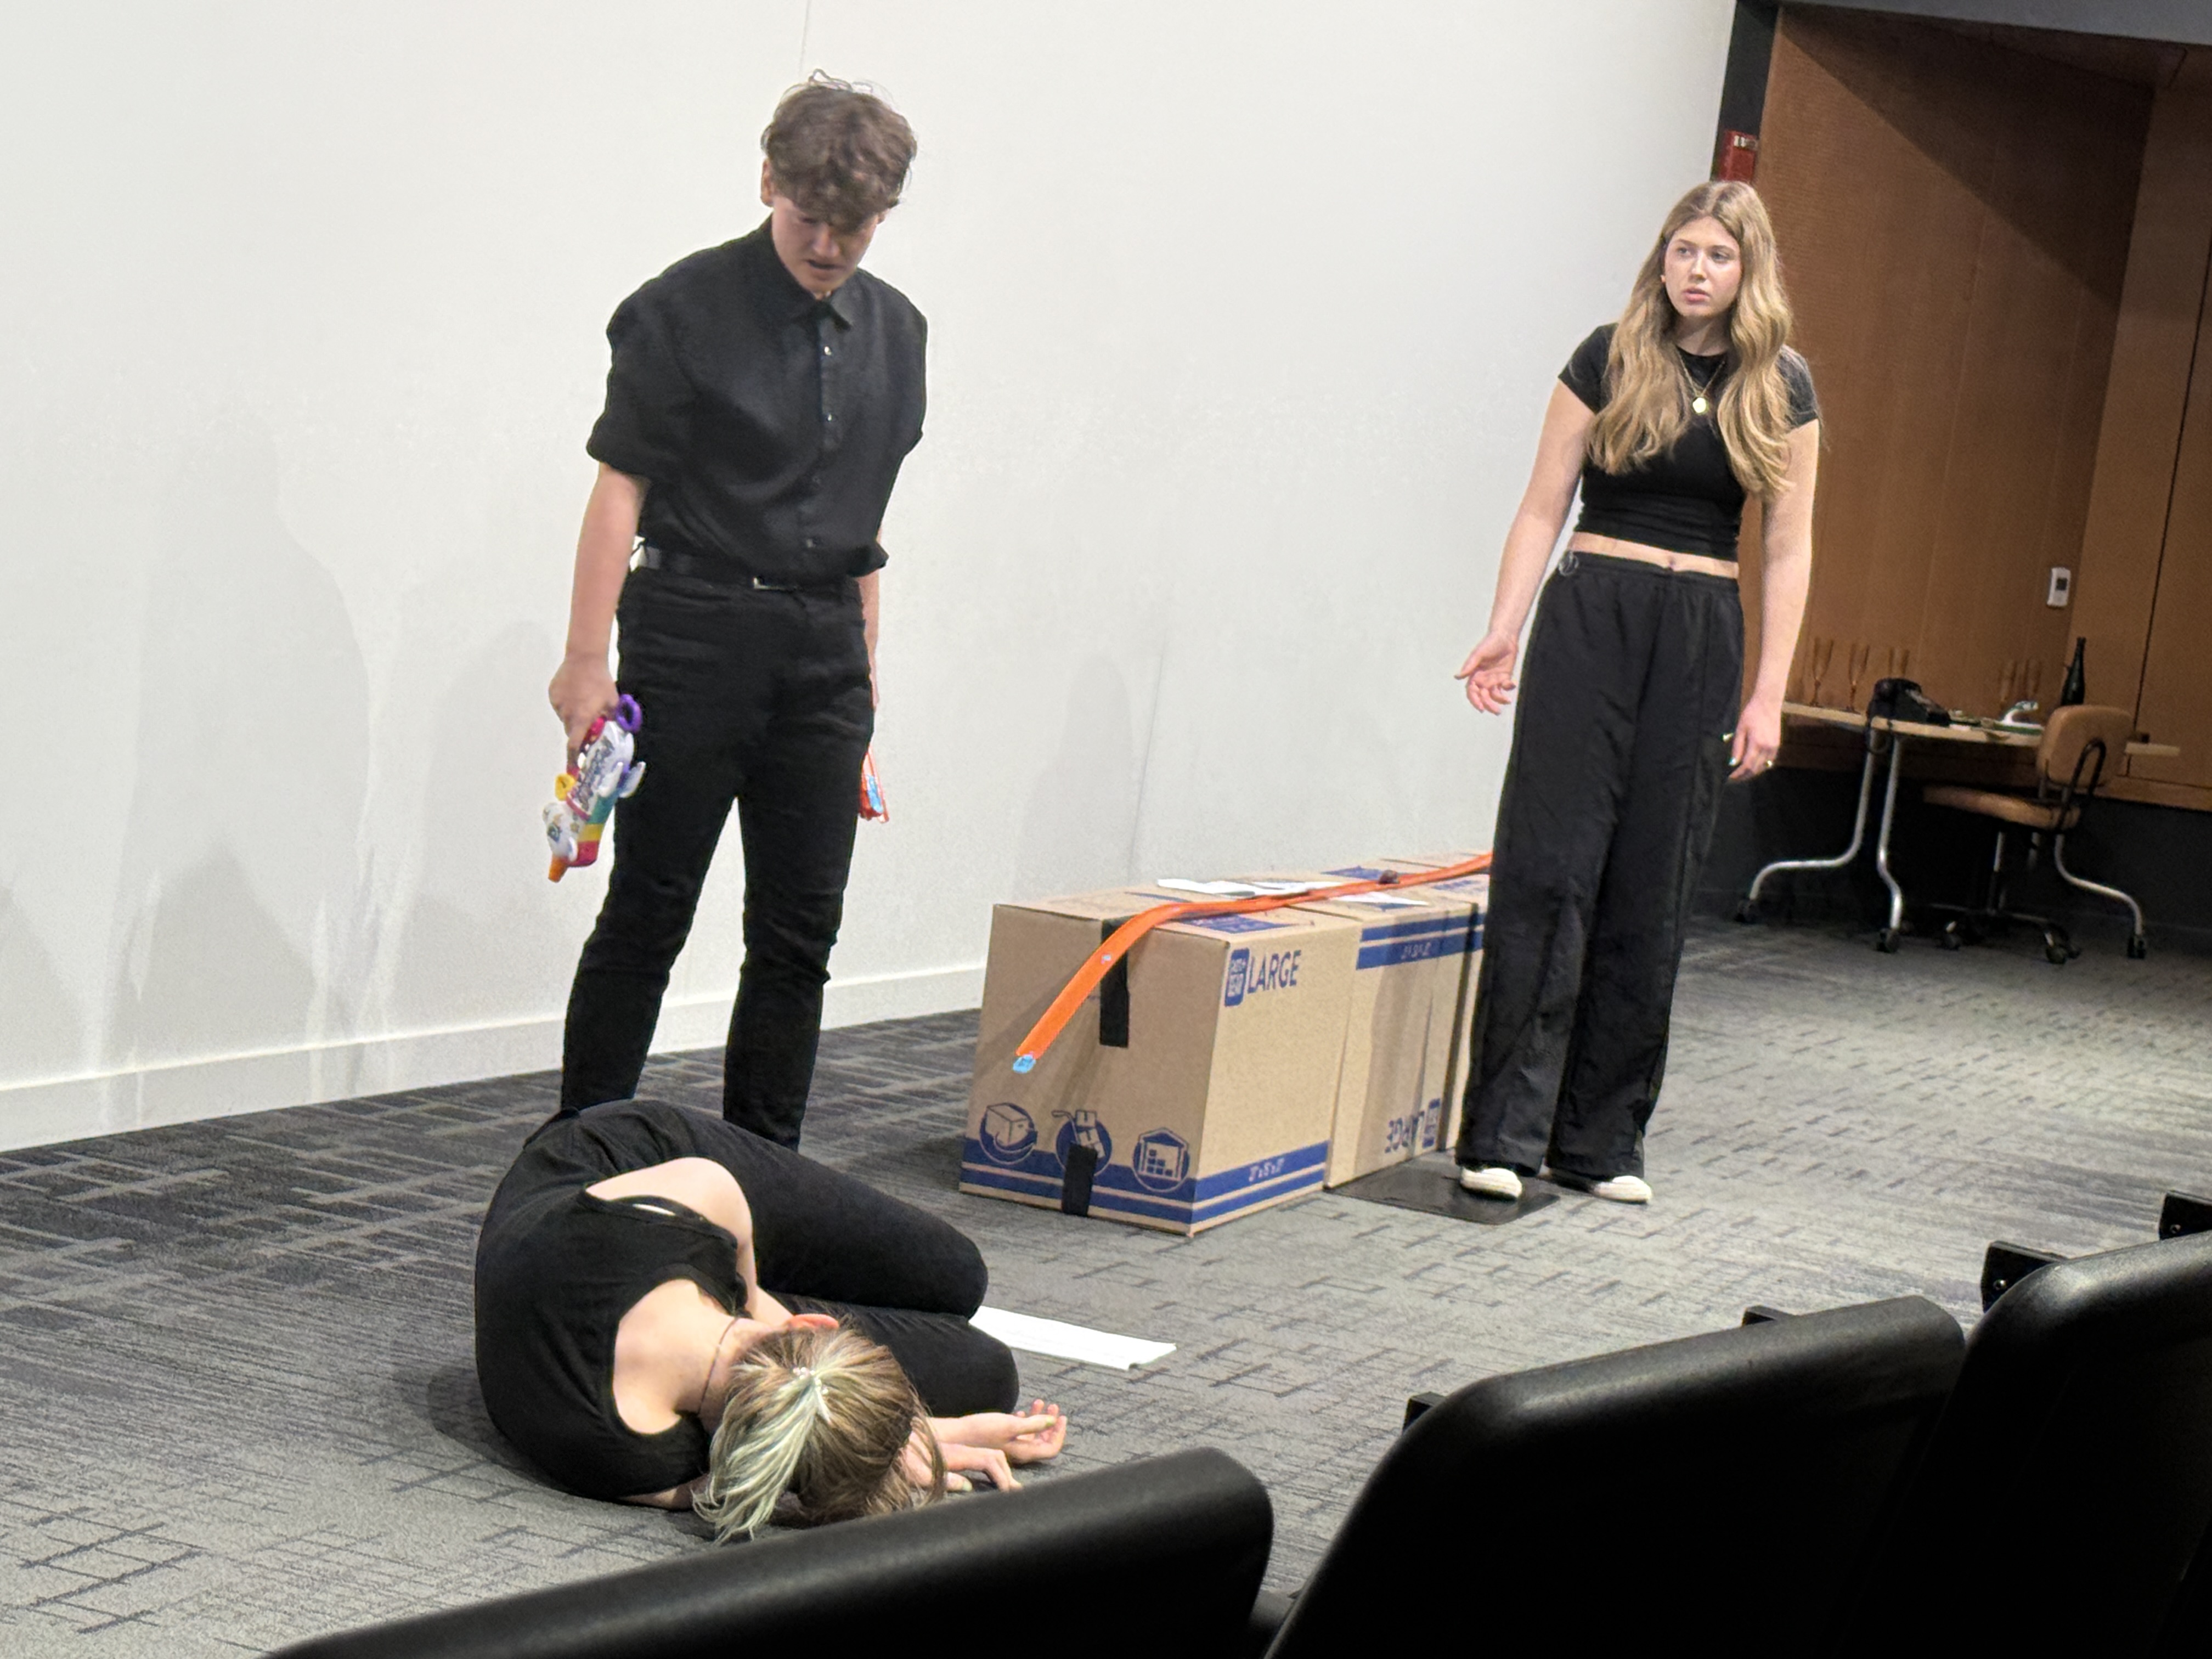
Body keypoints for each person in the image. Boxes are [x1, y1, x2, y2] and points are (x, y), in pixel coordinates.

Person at [549, 75, 928, 1148]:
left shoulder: (898, 333)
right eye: (811, 218)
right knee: (649, 910)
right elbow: (620, 485)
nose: (829, 246)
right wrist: (586, 661)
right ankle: (578, 1160)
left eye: (857, 226)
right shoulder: (682, 309)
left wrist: (861, 688)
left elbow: (862, 524)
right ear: (769, 182)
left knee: (800, 936)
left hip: (824, 651)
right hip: (694, 627)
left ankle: (766, 1169)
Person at [1452, 179, 1820, 1206]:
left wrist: (1768, 696)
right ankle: (1502, 1133)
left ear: (1748, 272)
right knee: (1550, 867)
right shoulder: (1607, 356)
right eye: (1683, 250)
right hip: (1592, 617)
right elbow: (1542, 506)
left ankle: (1602, 1140)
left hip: (1701, 630)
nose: (1697, 270)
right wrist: (1504, 625)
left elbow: (1787, 551)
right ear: (1662, 258)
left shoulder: (1782, 386)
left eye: (1719, 256)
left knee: (1654, 878)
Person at [475, 1096, 1068, 1539]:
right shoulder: (638, 1455)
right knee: (986, 1371)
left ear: (810, 1327)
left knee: (957, 1274)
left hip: (614, 1166)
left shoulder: (698, 1191)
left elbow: (752, 1297)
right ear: (813, 1326)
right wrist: (887, 1437)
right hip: (632, 1257)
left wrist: (891, 1437)